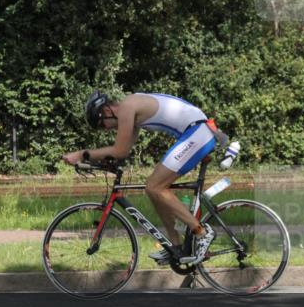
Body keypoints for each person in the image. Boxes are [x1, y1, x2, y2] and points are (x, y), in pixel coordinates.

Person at [62, 91, 219, 265]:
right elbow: (124, 151)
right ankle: (176, 246)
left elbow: (119, 150)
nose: (106, 129)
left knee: (155, 187)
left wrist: (82, 154)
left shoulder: (127, 107)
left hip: (198, 133)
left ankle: (201, 232)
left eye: (102, 125)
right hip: (196, 132)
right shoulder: (132, 110)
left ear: (106, 111)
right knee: (154, 190)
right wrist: (100, 162)